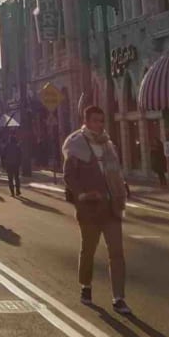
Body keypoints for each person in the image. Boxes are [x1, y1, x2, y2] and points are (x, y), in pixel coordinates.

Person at [63, 106, 132, 316]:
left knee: (117, 252)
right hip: (90, 208)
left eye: (101, 121)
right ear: (86, 121)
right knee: (89, 249)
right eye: (95, 120)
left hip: (111, 207)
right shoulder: (76, 145)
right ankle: (86, 285)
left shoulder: (108, 145)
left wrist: (121, 189)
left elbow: (116, 173)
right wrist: (83, 194)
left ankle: (119, 297)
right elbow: (69, 176)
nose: (99, 125)